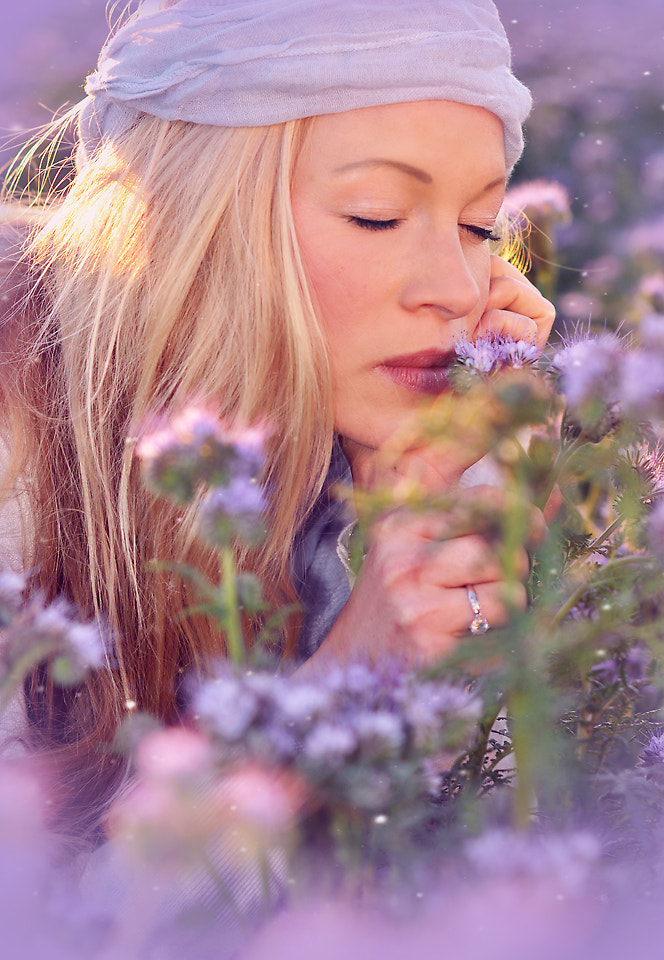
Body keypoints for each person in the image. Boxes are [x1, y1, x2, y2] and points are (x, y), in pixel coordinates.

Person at [0, 0, 554, 836]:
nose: (462, 287)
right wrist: (344, 685)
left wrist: (443, 518)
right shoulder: (16, 447)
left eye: (480, 226)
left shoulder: (334, 444)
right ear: (202, 214)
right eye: (378, 214)